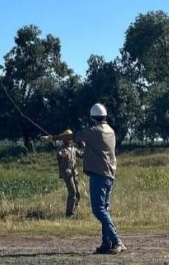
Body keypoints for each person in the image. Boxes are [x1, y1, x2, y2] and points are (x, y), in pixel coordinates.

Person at [43, 104, 126, 255]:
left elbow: (72, 136)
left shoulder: (95, 131)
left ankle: (116, 241)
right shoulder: (110, 131)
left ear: (92, 118)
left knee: (98, 209)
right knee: (105, 209)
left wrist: (53, 138)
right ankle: (106, 243)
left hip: (99, 175)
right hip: (109, 175)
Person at [55, 129, 82, 217]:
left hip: (74, 173)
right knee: (72, 193)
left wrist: (88, 148)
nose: (68, 139)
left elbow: (81, 155)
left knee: (78, 194)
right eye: (66, 137)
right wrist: (62, 153)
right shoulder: (62, 149)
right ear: (64, 138)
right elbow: (59, 155)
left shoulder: (73, 149)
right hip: (67, 173)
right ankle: (69, 214)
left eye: (70, 137)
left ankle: (73, 211)